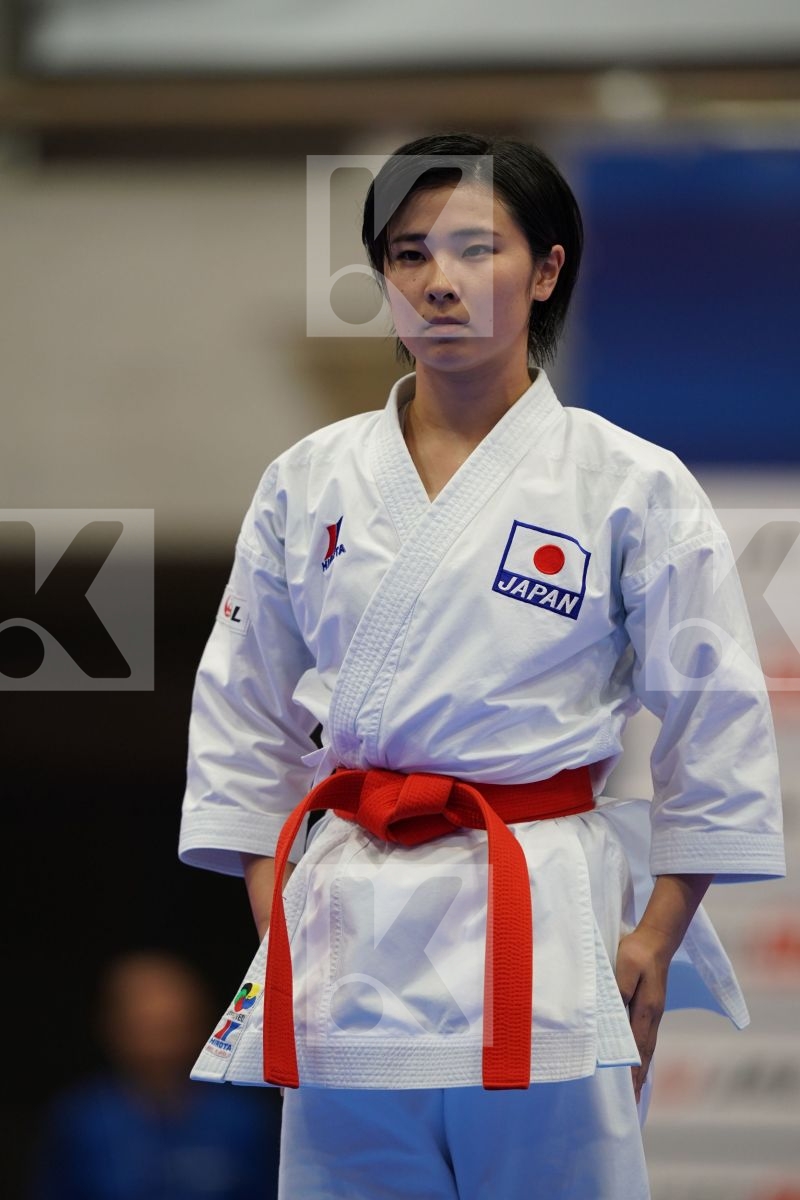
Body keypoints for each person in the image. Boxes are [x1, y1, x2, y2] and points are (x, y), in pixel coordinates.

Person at [178, 132, 785, 1199]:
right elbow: (240, 708)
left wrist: (657, 931)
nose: (437, 281)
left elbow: (713, 714)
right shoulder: (308, 478)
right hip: (345, 922)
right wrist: (280, 908)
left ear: (545, 270)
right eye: (408, 254)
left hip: (543, 906)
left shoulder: (626, 481)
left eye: (473, 249)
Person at [30, 951, 281, 1200]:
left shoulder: (244, 1120)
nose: (159, 1046)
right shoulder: (81, 1121)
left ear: (201, 1024)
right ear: (112, 1026)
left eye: (170, 1026)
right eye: (144, 1025)